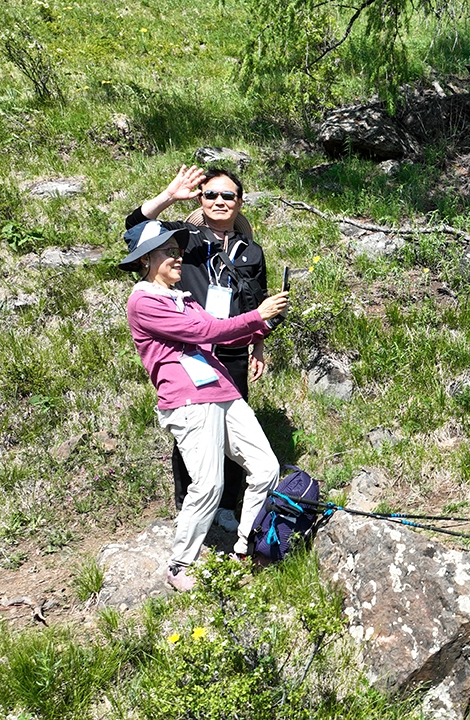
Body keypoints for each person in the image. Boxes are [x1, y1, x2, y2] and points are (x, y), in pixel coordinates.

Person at [119, 220, 289, 590]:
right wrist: (257, 314)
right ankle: (181, 564)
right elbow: (204, 333)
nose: (178, 257)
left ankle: (245, 547)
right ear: (146, 259)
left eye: (178, 250)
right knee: (209, 483)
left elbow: (217, 325)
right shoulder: (143, 300)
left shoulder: (182, 297)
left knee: (265, 468)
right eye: (168, 251)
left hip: (222, 389)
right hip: (188, 398)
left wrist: (261, 327)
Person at [125, 166, 270, 534]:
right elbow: (134, 226)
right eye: (211, 195)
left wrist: (259, 345)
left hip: (234, 348)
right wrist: (169, 196)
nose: (219, 201)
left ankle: (226, 507)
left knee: (235, 430)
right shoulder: (184, 239)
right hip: (192, 349)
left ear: (240, 202)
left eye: (228, 196)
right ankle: (188, 503)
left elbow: (258, 300)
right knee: (195, 432)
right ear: (200, 199)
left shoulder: (251, 251)